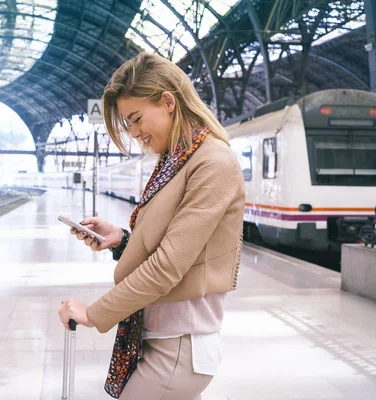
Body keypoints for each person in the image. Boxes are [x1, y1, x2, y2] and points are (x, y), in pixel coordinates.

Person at [58, 52, 245, 400]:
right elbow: (172, 245)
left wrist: (94, 314)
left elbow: (167, 267)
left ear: (168, 101)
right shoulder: (174, 162)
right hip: (160, 338)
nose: (134, 132)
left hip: (178, 346)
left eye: (136, 118)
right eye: (128, 124)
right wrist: (120, 241)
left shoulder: (212, 162)